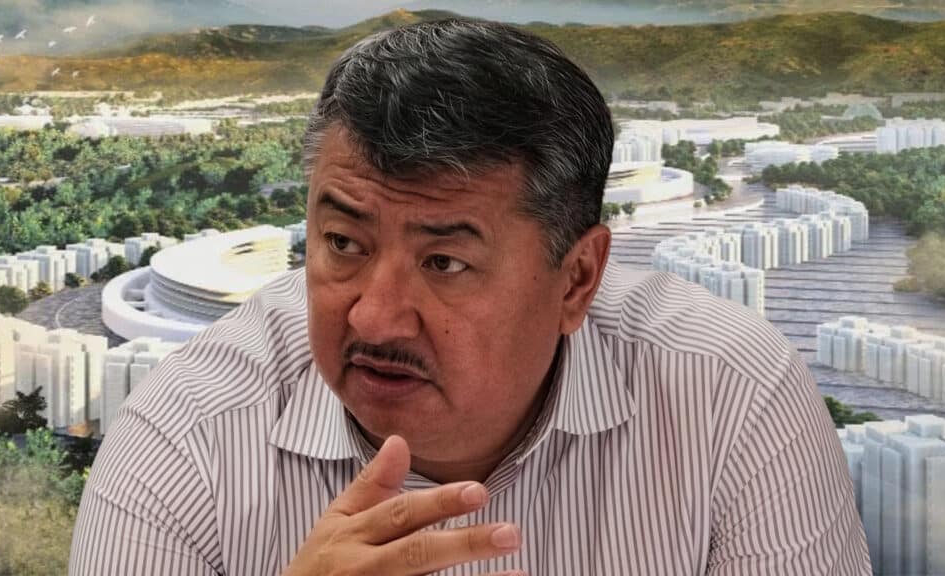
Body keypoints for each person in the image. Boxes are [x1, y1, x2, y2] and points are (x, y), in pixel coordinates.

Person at [69, 18, 871, 576]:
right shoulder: (185, 434)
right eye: (344, 244)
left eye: (445, 261)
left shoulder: (730, 398)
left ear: (577, 279)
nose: (375, 316)